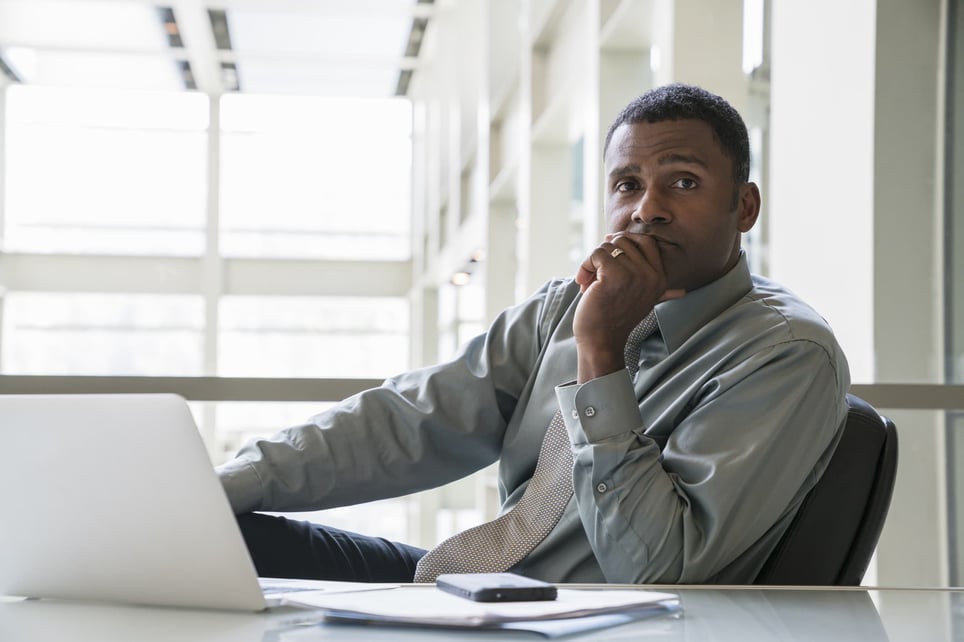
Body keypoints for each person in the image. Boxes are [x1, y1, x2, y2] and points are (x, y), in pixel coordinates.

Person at [216, 83, 850, 585]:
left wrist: (601, 357)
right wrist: (224, 483)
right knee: (225, 536)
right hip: (484, 591)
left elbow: (657, 569)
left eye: (683, 182)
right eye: (627, 185)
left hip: (589, 621)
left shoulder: (784, 353)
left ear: (743, 206)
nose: (647, 208)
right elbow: (410, 419)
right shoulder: (564, 307)